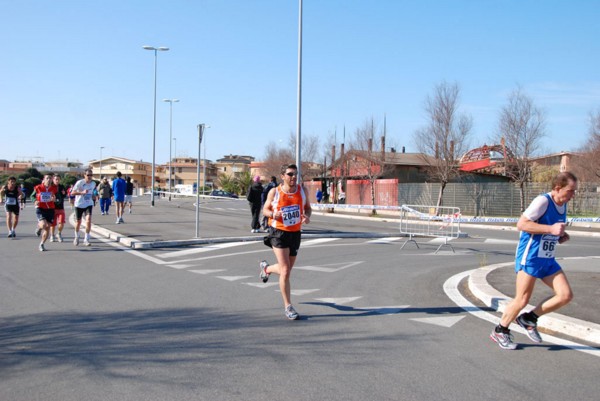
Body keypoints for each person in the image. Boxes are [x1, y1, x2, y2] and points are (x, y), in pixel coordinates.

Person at [490, 171, 578, 350]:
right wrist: (550, 229)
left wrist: (559, 235)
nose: (573, 195)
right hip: (530, 257)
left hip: (547, 259)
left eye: (574, 191)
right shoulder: (543, 201)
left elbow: (549, 230)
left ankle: (529, 318)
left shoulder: (563, 204)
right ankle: (500, 330)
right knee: (521, 299)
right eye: (570, 191)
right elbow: (522, 224)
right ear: (557, 188)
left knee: (565, 295)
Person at [259, 164, 312, 320]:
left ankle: (266, 269)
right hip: (278, 232)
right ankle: (288, 306)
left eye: (295, 174)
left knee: (286, 270)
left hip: (295, 233)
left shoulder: (303, 191)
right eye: (290, 174)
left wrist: (307, 216)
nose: (293, 177)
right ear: (283, 176)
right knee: (286, 270)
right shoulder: (275, 192)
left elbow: (308, 208)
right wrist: (273, 214)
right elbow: (265, 210)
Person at [71, 169, 96, 246]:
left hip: (88, 204)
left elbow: (91, 192)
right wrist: (81, 192)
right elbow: (72, 193)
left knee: (88, 220)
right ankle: (76, 236)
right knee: (78, 222)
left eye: (91, 175)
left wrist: (93, 196)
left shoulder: (93, 183)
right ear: (84, 175)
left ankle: (86, 239)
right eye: (88, 175)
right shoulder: (80, 183)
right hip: (79, 204)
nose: (89, 177)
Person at [33, 173, 57, 251]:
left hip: (50, 209)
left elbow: (58, 198)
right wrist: (35, 200)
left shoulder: (54, 188)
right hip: (41, 208)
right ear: (43, 180)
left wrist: (55, 199)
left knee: (47, 227)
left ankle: (42, 244)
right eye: (47, 178)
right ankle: (39, 228)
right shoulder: (38, 188)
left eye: (50, 178)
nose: (49, 180)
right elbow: (32, 196)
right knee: (43, 224)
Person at [49, 175, 68, 242]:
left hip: (61, 207)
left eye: (58, 179)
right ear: (53, 180)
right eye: (56, 179)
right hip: (53, 208)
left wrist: (64, 193)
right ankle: (52, 235)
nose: (57, 181)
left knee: (61, 222)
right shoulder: (50, 187)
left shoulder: (61, 186)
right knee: (53, 224)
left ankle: (59, 234)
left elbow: (64, 195)